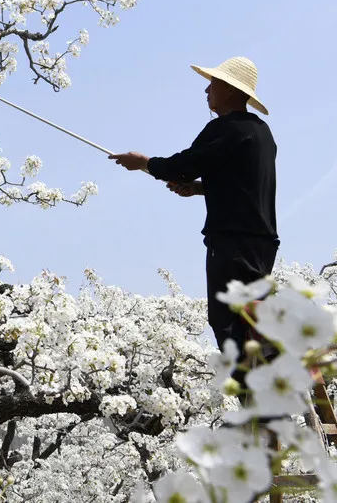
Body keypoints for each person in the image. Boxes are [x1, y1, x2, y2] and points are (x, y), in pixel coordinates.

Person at [108, 57, 278, 356]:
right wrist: (199, 189)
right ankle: (276, 380)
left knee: (227, 321)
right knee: (254, 315)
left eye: (212, 84)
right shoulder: (261, 133)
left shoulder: (225, 129)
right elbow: (242, 182)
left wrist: (144, 163)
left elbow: (183, 166)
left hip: (231, 241)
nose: (207, 91)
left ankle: (256, 391)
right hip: (262, 242)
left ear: (228, 89)